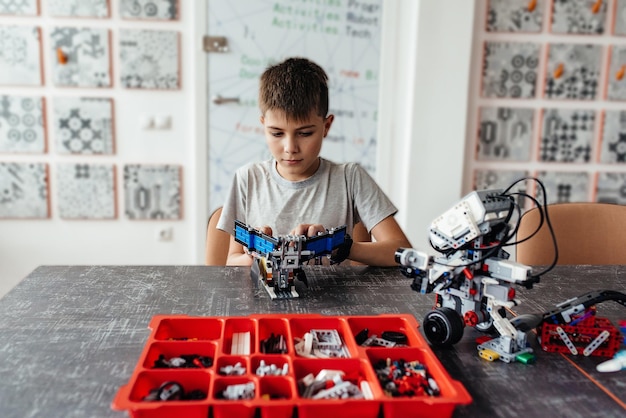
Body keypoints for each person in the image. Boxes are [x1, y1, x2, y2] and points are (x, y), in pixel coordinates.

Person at [217, 57, 411, 266]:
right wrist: (256, 254)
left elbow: (402, 252)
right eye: (276, 133)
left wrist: (341, 247)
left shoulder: (350, 179)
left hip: (331, 298)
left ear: (326, 126)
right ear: (263, 125)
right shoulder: (247, 179)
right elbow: (232, 261)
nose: (290, 147)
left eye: (305, 133)